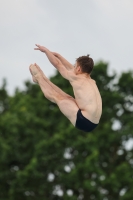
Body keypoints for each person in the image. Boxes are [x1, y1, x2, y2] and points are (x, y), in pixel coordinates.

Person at [29, 44, 102, 132]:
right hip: (94, 122)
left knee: (57, 97)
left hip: (83, 120)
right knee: (67, 98)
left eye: (75, 66)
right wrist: (59, 56)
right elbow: (70, 67)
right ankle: (41, 78)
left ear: (78, 69)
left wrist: (46, 51)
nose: (73, 67)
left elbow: (58, 64)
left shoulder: (76, 78)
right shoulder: (90, 81)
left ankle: (39, 78)